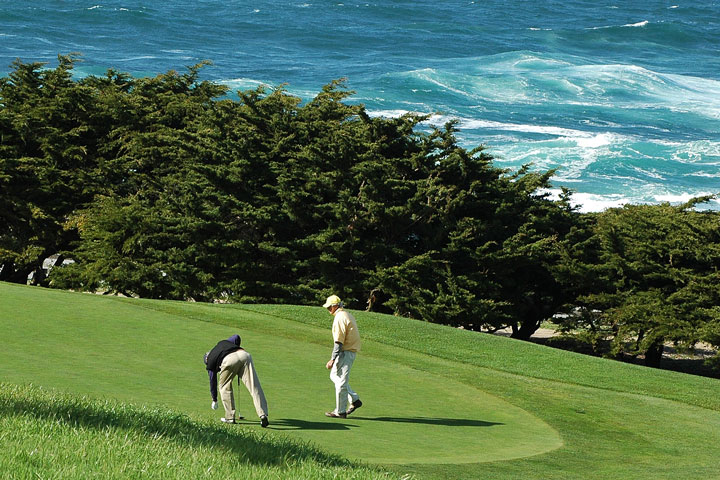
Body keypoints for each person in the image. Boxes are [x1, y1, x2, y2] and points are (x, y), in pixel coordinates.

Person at [204, 334, 269, 427]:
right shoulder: (222, 343)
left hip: (229, 360)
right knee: (254, 386)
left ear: (206, 359)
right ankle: (263, 415)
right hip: (244, 355)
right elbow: (236, 337)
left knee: (224, 387)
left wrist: (214, 399)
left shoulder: (210, 362)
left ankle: (230, 417)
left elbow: (212, 381)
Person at [323, 295, 363, 418]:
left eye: (329, 307)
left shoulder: (340, 318)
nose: (328, 310)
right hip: (348, 351)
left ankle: (340, 411)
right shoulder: (346, 314)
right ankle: (354, 399)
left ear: (335, 306)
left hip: (346, 351)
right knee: (335, 376)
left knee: (340, 382)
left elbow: (339, 342)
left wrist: (332, 359)